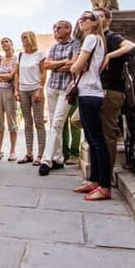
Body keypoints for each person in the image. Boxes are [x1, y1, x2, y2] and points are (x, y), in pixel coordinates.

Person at [70, 9, 111, 201]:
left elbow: (77, 66)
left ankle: (104, 185)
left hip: (89, 92)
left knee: (96, 140)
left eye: (86, 18)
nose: (81, 20)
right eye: (80, 17)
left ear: (95, 23)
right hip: (90, 91)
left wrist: (73, 66)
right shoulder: (98, 39)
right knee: (91, 139)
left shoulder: (91, 39)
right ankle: (94, 180)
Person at [94, 8, 135, 171]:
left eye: (100, 16)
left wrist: (110, 56)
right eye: (94, 16)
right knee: (80, 121)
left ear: (108, 20)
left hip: (111, 90)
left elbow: (130, 45)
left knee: (108, 134)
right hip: (99, 89)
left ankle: (107, 173)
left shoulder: (111, 36)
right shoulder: (96, 39)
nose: (96, 18)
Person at [39, 20, 80, 176]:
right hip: (52, 87)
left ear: (68, 29)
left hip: (66, 89)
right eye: (54, 28)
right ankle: (58, 158)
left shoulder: (75, 44)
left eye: (58, 28)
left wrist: (57, 65)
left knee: (57, 123)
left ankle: (46, 160)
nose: (55, 30)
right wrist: (63, 63)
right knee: (54, 123)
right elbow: (47, 65)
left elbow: (74, 64)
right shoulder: (54, 46)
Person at [15, 31, 46, 165]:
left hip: (35, 90)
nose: (23, 40)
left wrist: (40, 89)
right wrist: (16, 90)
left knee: (39, 122)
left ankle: (40, 155)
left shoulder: (40, 54)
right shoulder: (20, 55)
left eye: (25, 37)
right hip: (23, 90)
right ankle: (29, 153)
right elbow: (17, 74)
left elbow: (43, 72)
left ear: (31, 39)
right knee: (27, 122)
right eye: (21, 38)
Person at [0, 37, 18, 161]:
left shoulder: (16, 59)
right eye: (2, 42)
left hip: (9, 92)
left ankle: (12, 151)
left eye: (7, 41)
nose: (4, 44)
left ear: (12, 44)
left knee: (12, 121)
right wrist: (4, 77)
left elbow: (13, 76)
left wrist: (0, 76)